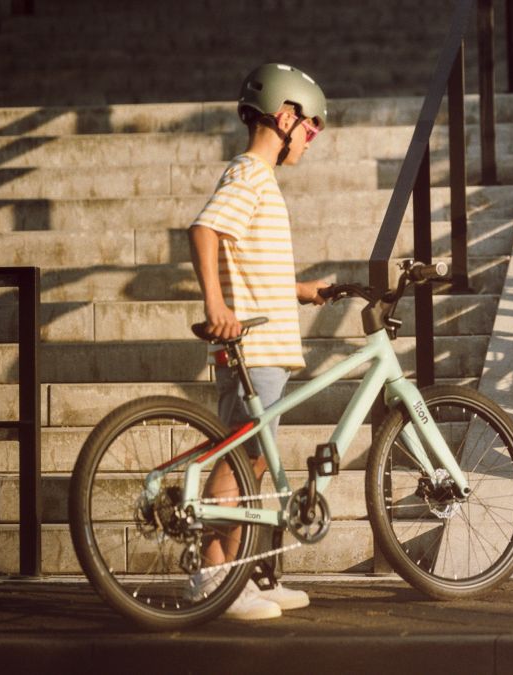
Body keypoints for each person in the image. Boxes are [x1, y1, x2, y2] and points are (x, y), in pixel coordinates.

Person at [187, 63, 331, 620]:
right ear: (285, 115)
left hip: (268, 350)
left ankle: (243, 573)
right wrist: (215, 306)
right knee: (242, 460)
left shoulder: (259, 181)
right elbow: (205, 230)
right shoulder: (248, 173)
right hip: (250, 350)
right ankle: (212, 577)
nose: (311, 141)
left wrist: (299, 290)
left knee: (256, 461)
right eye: (311, 129)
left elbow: (246, 260)